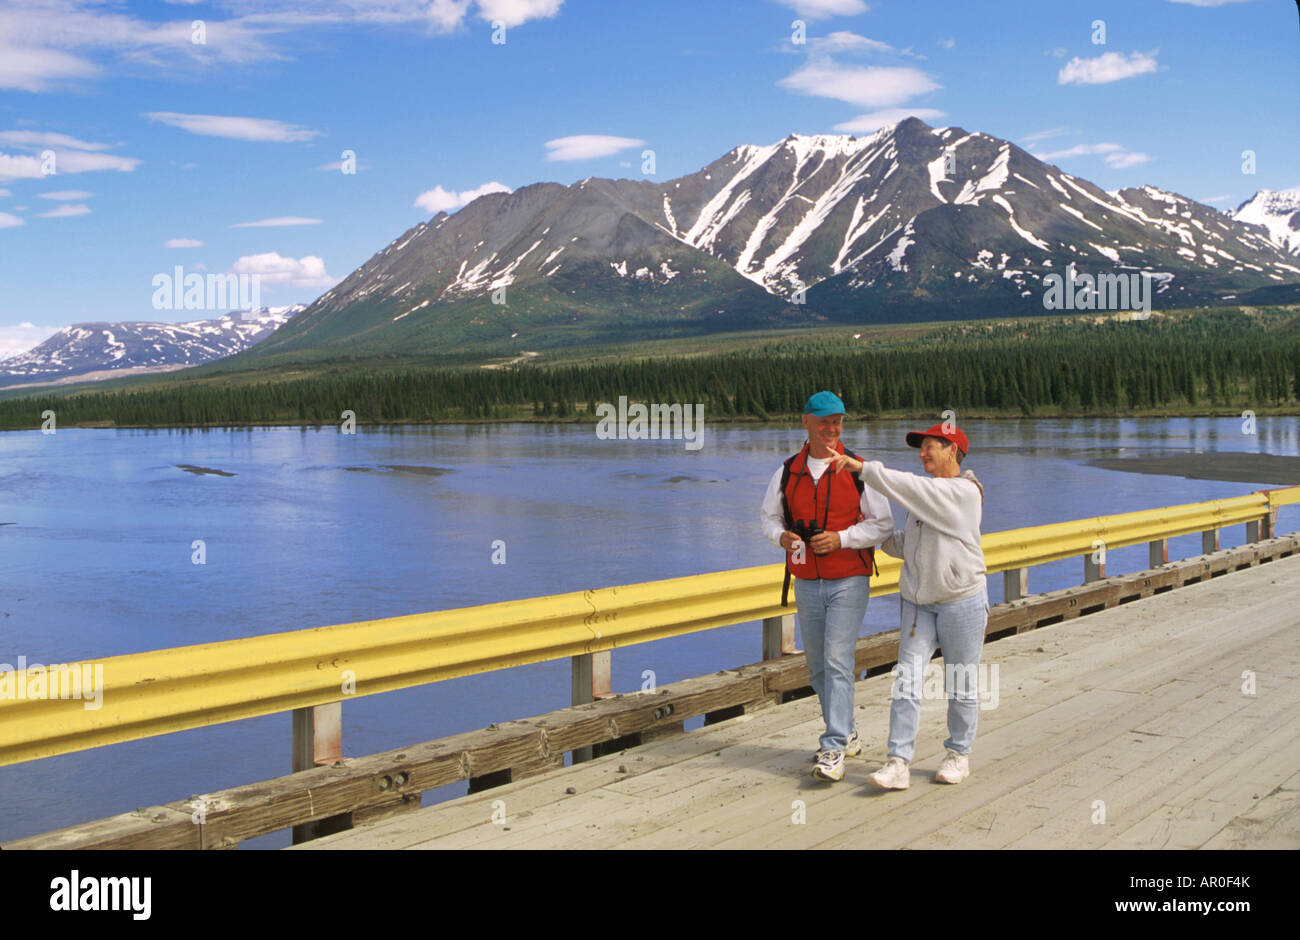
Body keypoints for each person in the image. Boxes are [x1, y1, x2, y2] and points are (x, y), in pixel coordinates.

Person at [830, 422, 987, 789]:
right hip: (919, 603)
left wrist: (863, 468)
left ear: (953, 450)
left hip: (961, 600)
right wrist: (863, 533)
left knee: (960, 681)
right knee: (907, 681)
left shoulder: (964, 492)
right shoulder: (928, 499)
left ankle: (958, 754)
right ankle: (898, 762)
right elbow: (910, 544)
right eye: (921, 447)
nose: (922, 454)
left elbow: (911, 487)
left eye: (929, 446)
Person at [759, 391, 893, 782]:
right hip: (806, 582)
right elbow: (769, 519)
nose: (832, 429)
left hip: (849, 578)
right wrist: (779, 537)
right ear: (806, 422)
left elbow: (882, 526)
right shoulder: (786, 471)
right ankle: (847, 730)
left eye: (838, 422)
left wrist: (842, 539)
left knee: (837, 659)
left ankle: (832, 748)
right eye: (824, 422)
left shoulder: (860, 470)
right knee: (817, 665)